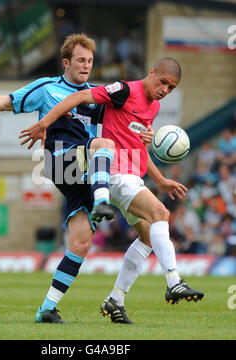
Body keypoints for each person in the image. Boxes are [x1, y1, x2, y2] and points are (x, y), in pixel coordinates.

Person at [0, 33, 121, 324]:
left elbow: (122, 122)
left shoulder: (96, 95)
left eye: (89, 60)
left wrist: (145, 134)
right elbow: (3, 102)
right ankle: (104, 202)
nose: (86, 65)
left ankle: (46, 309)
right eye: (80, 60)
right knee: (103, 146)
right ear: (66, 62)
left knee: (80, 243)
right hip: (58, 161)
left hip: (83, 170)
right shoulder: (47, 87)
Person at [20, 57, 204, 324]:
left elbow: (138, 147)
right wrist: (45, 122)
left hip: (133, 176)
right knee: (160, 214)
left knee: (149, 237)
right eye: (163, 82)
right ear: (151, 72)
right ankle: (174, 281)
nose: (165, 89)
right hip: (114, 172)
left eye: (171, 88)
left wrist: (160, 179)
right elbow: (82, 96)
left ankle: (115, 299)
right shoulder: (124, 90)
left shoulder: (153, 108)